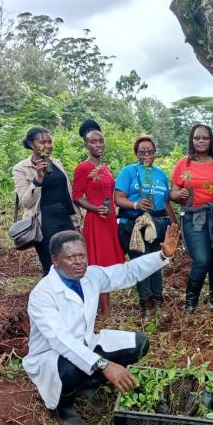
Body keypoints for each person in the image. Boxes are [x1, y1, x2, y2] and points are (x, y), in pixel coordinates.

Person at [23, 224, 181, 425]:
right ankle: (63, 407)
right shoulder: (43, 294)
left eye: (82, 255)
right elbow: (60, 340)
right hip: (52, 355)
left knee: (139, 344)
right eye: (70, 257)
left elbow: (128, 272)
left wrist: (162, 255)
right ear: (55, 260)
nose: (78, 262)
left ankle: (89, 385)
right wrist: (106, 365)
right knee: (70, 366)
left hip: (87, 343)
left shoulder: (91, 276)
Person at [170, 124, 213, 316]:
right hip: (193, 216)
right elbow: (172, 193)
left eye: (205, 137)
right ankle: (190, 305)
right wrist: (180, 194)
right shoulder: (183, 164)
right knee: (202, 260)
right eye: (197, 138)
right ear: (192, 140)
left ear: (211, 139)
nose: (201, 141)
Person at [114, 136, 177, 318]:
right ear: (136, 153)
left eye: (150, 151)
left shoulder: (161, 175)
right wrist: (136, 205)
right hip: (134, 226)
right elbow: (118, 198)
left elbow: (166, 203)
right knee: (141, 264)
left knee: (157, 262)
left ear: (156, 153)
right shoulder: (128, 172)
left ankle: (157, 303)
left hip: (157, 225)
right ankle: (145, 306)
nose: (147, 154)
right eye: (142, 151)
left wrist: (174, 227)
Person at [72, 120, 125, 319]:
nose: (98, 145)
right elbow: (76, 196)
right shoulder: (83, 168)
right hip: (96, 221)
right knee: (98, 264)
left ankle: (104, 308)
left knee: (109, 263)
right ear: (86, 145)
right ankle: (104, 312)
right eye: (93, 142)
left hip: (110, 220)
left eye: (101, 141)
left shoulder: (104, 167)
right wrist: (95, 208)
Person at [13, 127, 81, 275]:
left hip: (64, 218)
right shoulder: (21, 168)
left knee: (72, 263)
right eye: (42, 142)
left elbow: (66, 194)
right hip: (44, 222)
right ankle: (49, 297)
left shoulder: (56, 163)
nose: (48, 146)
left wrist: (75, 222)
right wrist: (38, 180)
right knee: (52, 267)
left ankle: (72, 297)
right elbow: (26, 202)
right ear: (31, 144)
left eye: (50, 142)